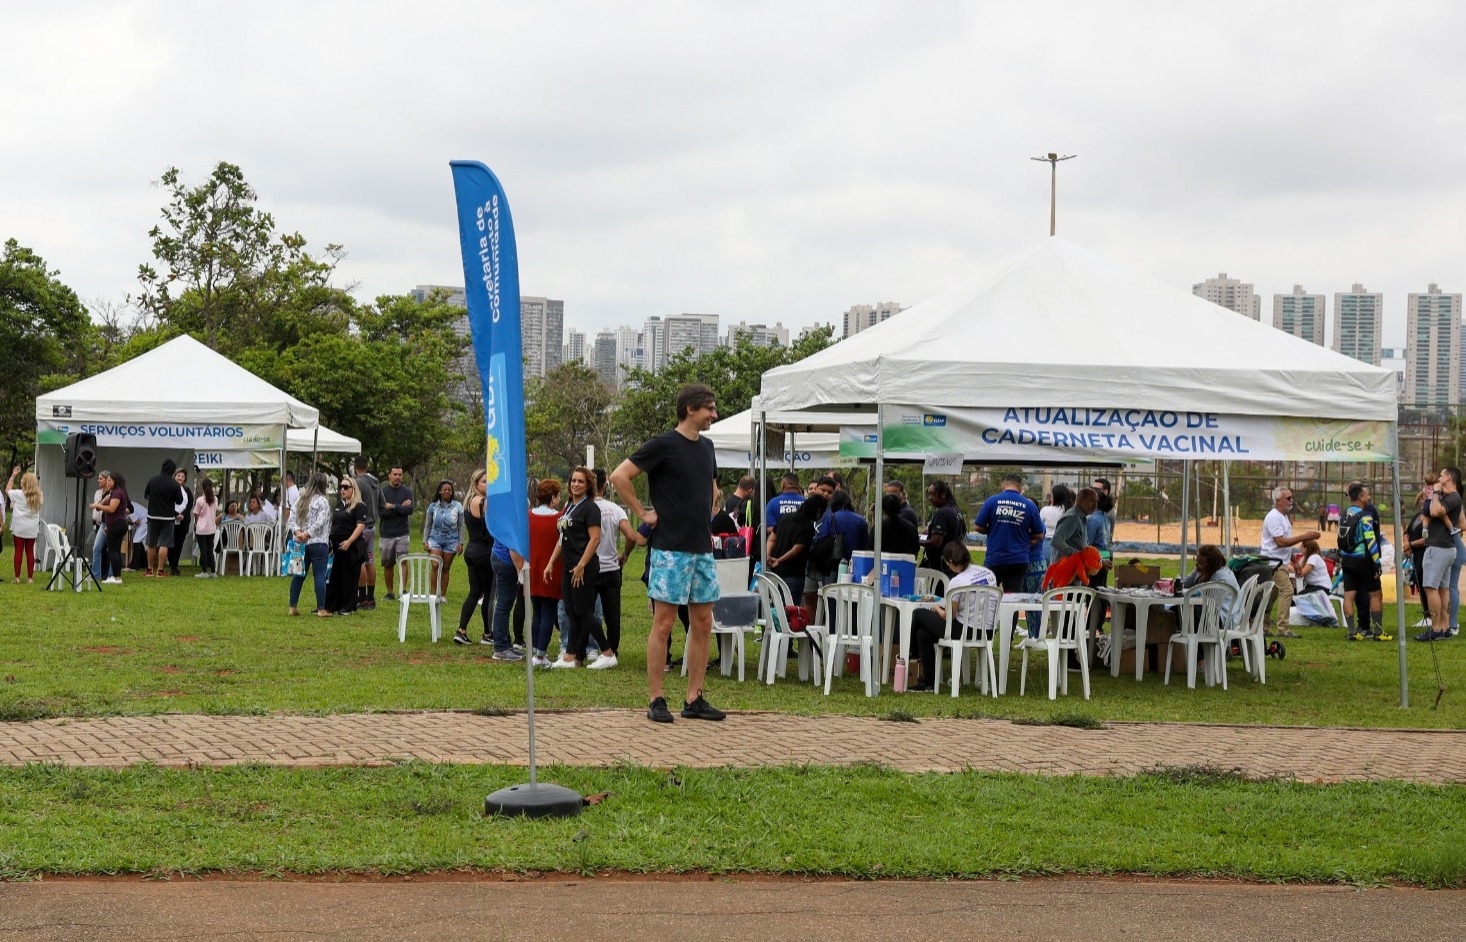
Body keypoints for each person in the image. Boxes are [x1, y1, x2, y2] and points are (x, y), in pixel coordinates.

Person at [610, 382, 726, 724]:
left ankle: (694, 698)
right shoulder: (663, 444)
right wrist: (643, 513)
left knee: (703, 623)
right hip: (670, 551)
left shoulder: (707, 447)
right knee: (663, 624)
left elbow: (711, 486)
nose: (714, 415)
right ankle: (656, 699)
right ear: (690, 409)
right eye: (710, 408)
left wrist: (713, 501)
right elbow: (620, 475)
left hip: (701, 549)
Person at [906, 540, 998, 691]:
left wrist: (934, 606)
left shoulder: (957, 582)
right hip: (987, 630)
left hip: (963, 630)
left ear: (950, 562)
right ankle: (929, 682)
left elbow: (948, 616)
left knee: (918, 613)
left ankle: (912, 654)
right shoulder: (988, 573)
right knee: (922, 634)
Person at [587, 468, 643, 670]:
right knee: (612, 614)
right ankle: (613, 650)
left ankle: (585, 649)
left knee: (586, 610)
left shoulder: (583, 508)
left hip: (589, 567)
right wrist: (625, 554)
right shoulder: (615, 509)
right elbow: (631, 535)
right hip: (611, 567)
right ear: (604, 486)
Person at [546, 467, 602, 669]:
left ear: (588, 485)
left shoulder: (590, 508)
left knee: (584, 612)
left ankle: (607, 652)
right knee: (571, 612)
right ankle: (571, 656)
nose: (576, 484)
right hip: (568, 566)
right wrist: (551, 562)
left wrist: (581, 565)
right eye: (573, 481)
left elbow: (595, 540)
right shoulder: (569, 506)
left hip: (583, 567)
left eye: (580, 481)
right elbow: (562, 538)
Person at [454, 468, 512, 654]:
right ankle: (488, 633)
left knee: (474, 592)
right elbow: (492, 528)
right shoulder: (484, 502)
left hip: (471, 551)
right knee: (489, 594)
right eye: (484, 481)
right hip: (484, 552)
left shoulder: (468, 501)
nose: (488, 485)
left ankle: (461, 629)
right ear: (476, 484)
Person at [1260, 486, 1318, 639]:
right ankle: (1283, 629)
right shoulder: (1273, 517)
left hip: (1280, 562)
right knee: (1287, 591)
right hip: (1273, 563)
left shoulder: (1284, 517)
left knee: (1270, 596)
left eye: (1291, 498)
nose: (1292, 501)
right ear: (1278, 500)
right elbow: (1280, 542)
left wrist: (1295, 562)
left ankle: (1263, 627)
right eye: (1288, 498)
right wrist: (1304, 537)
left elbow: (1287, 545)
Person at [974, 473, 1044, 592]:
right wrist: (1025, 541)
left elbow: (978, 527)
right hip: (1019, 560)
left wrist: (992, 530)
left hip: (995, 558)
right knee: (1012, 600)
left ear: (1003, 486)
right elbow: (1039, 535)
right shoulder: (1029, 506)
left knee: (988, 598)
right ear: (1021, 488)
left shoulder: (992, 501)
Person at [1338, 482, 1387, 641]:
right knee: (1375, 595)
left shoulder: (1343, 514)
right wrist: (1377, 562)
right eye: (1367, 494)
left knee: (1348, 595)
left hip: (1347, 559)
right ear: (1360, 497)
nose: (1369, 497)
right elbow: (1371, 540)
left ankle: (1353, 632)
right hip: (1363, 560)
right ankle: (1378, 633)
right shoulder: (1365, 516)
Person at [1417, 467, 1460, 643]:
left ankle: (1435, 629)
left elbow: (1434, 511)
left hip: (1438, 548)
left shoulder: (1452, 497)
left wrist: (1434, 493)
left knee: (1430, 587)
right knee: (1443, 589)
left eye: (1442, 475)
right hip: (1446, 548)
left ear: (1448, 477)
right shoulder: (1450, 496)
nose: (1439, 478)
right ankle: (1444, 627)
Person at [528, 478, 564, 666]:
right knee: (548, 612)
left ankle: (535, 651)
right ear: (554, 497)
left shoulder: (528, 515)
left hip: (532, 569)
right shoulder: (559, 519)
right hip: (551, 571)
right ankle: (541, 655)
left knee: (537, 612)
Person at [287, 472, 332, 617]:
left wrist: (299, 532)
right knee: (319, 575)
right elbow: (321, 521)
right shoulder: (323, 501)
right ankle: (321, 608)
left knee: (299, 575)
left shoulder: (301, 499)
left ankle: (292, 607)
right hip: (318, 542)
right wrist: (308, 533)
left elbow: (291, 518)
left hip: (300, 543)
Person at [768, 493, 825, 605]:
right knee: (790, 611)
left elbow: (772, 539)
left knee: (776, 608)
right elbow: (796, 550)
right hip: (793, 574)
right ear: (817, 511)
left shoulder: (784, 518)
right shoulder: (807, 527)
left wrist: (768, 556)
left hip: (775, 573)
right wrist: (779, 560)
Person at [324, 476, 367, 615]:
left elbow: (360, 526)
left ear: (353, 489)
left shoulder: (359, 506)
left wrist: (349, 541)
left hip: (351, 546)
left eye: (346, 487)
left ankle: (349, 606)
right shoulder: (339, 505)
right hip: (337, 545)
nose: (342, 490)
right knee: (336, 576)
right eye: (341, 487)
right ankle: (334, 605)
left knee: (350, 576)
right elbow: (334, 523)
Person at [1181, 544, 1242, 631]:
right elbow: (1185, 583)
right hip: (1207, 612)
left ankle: (1194, 642)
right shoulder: (1202, 570)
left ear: (1212, 565)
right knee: (1177, 610)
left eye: (1201, 563)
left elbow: (1211, 604)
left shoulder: (1222, 578)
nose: (1197, 565)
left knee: (1186, 612)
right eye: (1196, 561)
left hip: (1220, 617)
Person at [378, 466, 415, 601]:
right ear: (389, 475)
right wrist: (400, 506)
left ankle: (403, 591)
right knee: (388, 564)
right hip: (386, 533)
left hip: (402, 533)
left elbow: (410, 510)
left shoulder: (407, 492)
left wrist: (392, 506)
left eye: (400, 474)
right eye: (395, 474)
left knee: (402, 561)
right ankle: (390, 592)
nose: (398, 477)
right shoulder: (382, 492)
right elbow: (382, 512)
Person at [141, 459, 183, 577]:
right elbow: (179, 501)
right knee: (164, 544)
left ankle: (149, 570)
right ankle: (160, 570)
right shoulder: (174, 484)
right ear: (173, 470)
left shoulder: (153, 480)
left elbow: (146, 495)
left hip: (152, 516)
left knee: (151, 543)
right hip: (168, 518)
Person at [423, 480, 463, 601]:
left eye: (449, 490)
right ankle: (433, 594)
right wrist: (425, 540)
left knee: (446, 567)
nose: (447, 491)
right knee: (435, 565)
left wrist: (460, 543)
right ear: (439, 491)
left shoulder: (458, 506)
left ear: (452, 492)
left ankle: (442, 595)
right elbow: (428, 525)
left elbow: (461, 526)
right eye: (444, 489)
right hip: (435, 538)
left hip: (451, 540)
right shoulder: (433, 506)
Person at [353, 456, 382, 611]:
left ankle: (362, 597)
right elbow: (382, 504)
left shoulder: (357, 483)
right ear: (368, 466)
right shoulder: (376, 483)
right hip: (372, 527)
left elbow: (353, 504)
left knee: (360, 562)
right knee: (370, 560)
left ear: (355, 466)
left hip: (361, 526)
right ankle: (371, 598)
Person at [6, 467, 43, 584]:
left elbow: (7, 490)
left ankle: (17, 578)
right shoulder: (39, 495)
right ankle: (30, 578)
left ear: (24, 483)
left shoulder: (18, 494)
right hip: (31, 527)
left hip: (19, 526)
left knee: (18, 551)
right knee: (30, 551)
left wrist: (12, 476)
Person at [1049, 486, 1096, 578]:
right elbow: (1056, 541)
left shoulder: (1081, 518)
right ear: (1081, 501)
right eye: (1092, 501)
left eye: (1096, 502)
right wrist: (1076, 555)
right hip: (1064, 575)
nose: (1095, 505)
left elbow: (1082, 546)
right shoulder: (1073, 517)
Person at [922, 480, 966, 571]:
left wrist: (917, 541)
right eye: (928, 495)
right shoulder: (955, 509)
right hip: (953, 560)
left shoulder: (942, 513)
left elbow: (936, 543)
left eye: (932, 494)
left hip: (942, 565)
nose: (930, 498)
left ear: (943, 494)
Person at [97, 472, 130, 585]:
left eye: (110, 480)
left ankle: (116, 577)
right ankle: (117, 576)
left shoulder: (117, 492)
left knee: (112, 551)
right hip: (117, 525)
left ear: (115, 481)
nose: (108, 482)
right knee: (116, 551)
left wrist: (97, 505)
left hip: (117, 525)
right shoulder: (120, 492)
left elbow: (111, 509)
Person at [827, 490, 869, 569]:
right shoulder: (861, 520)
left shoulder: (831, 518)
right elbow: (865, 546)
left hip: (835, 563)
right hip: (856, 563)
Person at [192, 477, 220, 578]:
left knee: (203, 551)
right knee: (210, 550)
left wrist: (197, 524)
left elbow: (196, 514)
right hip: (211, 528)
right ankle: (213, 572)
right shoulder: (215, 499)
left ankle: (204, 572)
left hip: (201, 529)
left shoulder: (200, 500)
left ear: (203, 487)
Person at [88, 471, 113, 581]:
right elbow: (97, 508)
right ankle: (97, 574)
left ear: (108, 480)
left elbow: (99, 506)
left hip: (109, 524)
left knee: (110, 550)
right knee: (98, 548)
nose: (98, 480)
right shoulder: (98, 492)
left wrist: (99, 504)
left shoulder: (113, 493)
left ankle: (110, 574)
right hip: (99, 523)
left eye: (100, 478)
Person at [879, 493, 921, 558]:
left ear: (883, 509)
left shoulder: (879, 528)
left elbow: (871, 550)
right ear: (899, 506)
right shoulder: (911, 528)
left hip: (884, 564)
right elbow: (915, 552)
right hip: (905, 564)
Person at [169, 467, 193, 576]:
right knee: (170, 544)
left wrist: (182, 515)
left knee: (179, 545)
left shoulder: (187, 490)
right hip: (171, 520)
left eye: (182, 476)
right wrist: (175, 515)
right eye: (178, 475)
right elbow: (167, 504)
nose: (180, 478)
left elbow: (190, 504)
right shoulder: (169, 489)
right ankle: (171, 565)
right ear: (174, 476)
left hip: (183, 521)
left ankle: (175, 566)